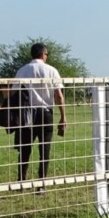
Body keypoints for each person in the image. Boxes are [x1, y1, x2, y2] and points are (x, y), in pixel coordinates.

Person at [14, 42, 66, 186]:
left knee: (25, 148)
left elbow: (14, 92)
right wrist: (63, 117)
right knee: (44, 149)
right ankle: (41, 183)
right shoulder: (51, 70)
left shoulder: (22, 70)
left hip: (28, 113)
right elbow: (59, 95)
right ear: (43, 54)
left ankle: (21, 180)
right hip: (46, 112)